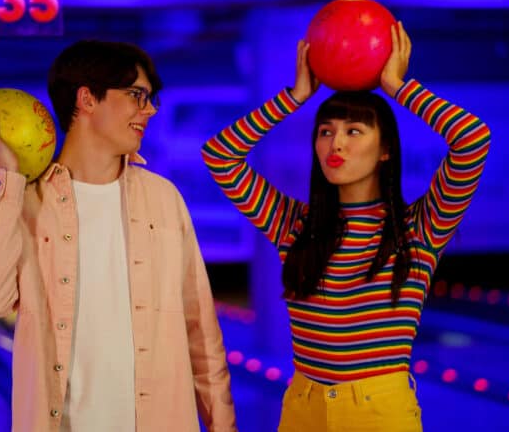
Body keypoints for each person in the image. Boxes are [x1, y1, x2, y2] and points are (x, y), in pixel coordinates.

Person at [202, 22, 490, 431]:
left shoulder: (419, 229)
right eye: (326, 132)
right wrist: (295, 97)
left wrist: (398, 87)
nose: (335, 144)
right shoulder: (295, 225)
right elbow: (219, 156)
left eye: (354, 131)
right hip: (303, 407)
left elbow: (473, 139)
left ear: (386, 148)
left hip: (380, 412)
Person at [0, 40, 237, 432]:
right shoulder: (23, 201)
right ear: (86, 99)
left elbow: (201, 333)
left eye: (150, 98)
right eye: (137, 95)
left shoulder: (163, 199)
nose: (149, 109)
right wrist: (3, 181)